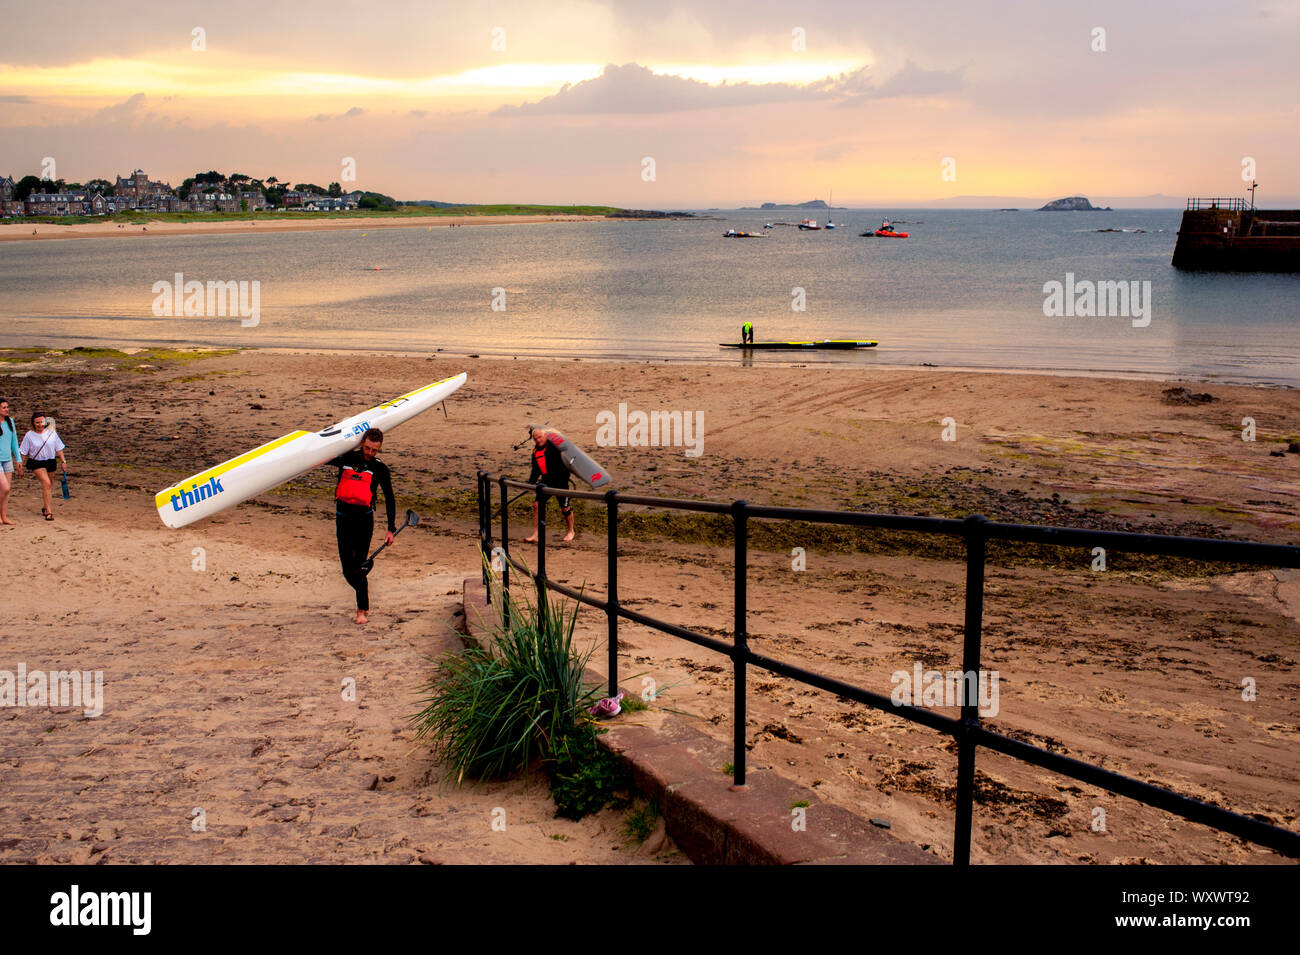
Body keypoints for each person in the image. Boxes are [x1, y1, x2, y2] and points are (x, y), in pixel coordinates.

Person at [328, 428, 395, 625]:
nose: (370, 453)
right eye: (367, 448)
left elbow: (389, 498)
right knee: (347, 569)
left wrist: (391, 529)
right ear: (361, 444)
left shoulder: (379, 468)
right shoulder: (346, 458)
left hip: (364, 521)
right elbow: (321, 459)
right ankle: (363, 602)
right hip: (343, 519)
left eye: (375, 450)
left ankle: (361, 610)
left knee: (357, 567)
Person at [523, 425, 575, 543]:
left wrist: (554, 434)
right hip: (546, 481)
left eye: (540, 437)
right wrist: (530, 484)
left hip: (561, 481)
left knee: (565, 507)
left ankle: (571, 531)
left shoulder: (553, 447)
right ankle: (536, 534)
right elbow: (535, 470)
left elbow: (566, 446)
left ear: (545, 436)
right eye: (535, 439)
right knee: (537, 505)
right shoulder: (535, 452)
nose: (538, 440)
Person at [19, 412, 65, 522]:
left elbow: (58, 448)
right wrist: (19, 467)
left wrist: (63, 461)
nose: (40, 424)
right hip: (37, 462)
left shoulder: (51, 433)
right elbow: (23, 452)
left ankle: (45, 507)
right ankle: (48, 512)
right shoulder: (29, 435)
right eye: (37, 422)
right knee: (47, 483)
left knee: (49, 485)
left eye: (42, 422)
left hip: (50, 461)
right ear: (33, 423)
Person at [0, 399, 22, 526]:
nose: (7, 409)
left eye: (7, 407)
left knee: (6, 491)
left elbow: (14, 441)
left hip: (7, 459)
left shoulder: (10, 422)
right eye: (4, 407)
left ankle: (4, 516)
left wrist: (18, 458)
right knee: (5, 488)